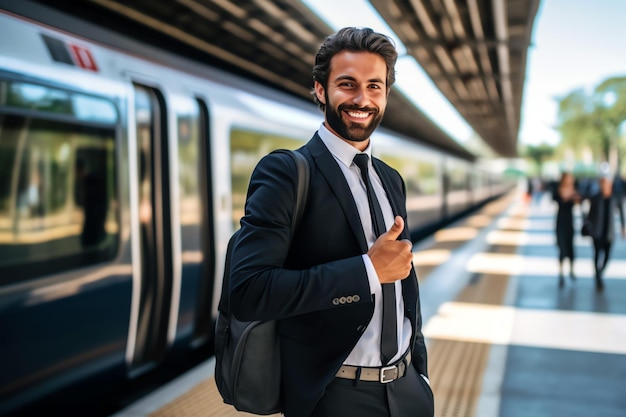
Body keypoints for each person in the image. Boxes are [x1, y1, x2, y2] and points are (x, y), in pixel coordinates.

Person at [229, 27, 433, 417]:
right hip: (335, 395)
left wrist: (419, 373)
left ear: (386, 93)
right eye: (347, 84)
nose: (362, 99)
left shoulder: (390, 178)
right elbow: (249, 291)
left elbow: (406, 287)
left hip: (407, 391)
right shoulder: (287, 172)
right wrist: (367, 271)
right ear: (321, 90)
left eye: (375, 86)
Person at [584, 173, 626, 290]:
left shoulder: (615, 197)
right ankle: (597, 276)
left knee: (607, 255)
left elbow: (621, 212)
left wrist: (623, 227)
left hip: (609, 231)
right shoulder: (596, 197)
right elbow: (590, 214)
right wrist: (587, 226)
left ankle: (599, 272)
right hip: (597, 231)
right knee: (597, 254)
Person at [552, 172, 580, 287]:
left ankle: (571, 269)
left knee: (570, 247)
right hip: (560, 223)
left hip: (570, 223)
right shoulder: (558, 190)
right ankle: (561, 273)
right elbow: (556, 198)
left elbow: (578, 200)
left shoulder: (574, 189)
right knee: (562, 249)